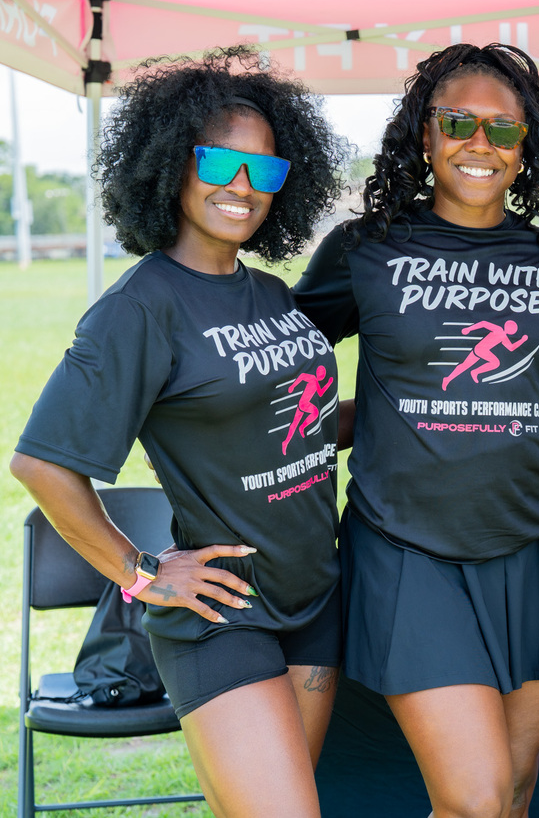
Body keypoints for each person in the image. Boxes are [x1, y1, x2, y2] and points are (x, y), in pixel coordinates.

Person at [10, 48, 348, 817]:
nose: (243, 186)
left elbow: (297, 423)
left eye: (265, 170)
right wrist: (141, 574)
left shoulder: (269, 293)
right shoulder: (140, 308)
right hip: (223, 613)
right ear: (172, 162)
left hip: (314, 599)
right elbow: (42, 463)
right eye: (221, 162)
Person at [291, 43, 539, 818]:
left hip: (536, 547)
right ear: (426, 134)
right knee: (474, 798)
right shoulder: (366, 250)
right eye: (458, 122)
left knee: (513, 789)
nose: (480, 143)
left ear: (525, 146)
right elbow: (279, 367)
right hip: (409, 551)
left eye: (503, 129)